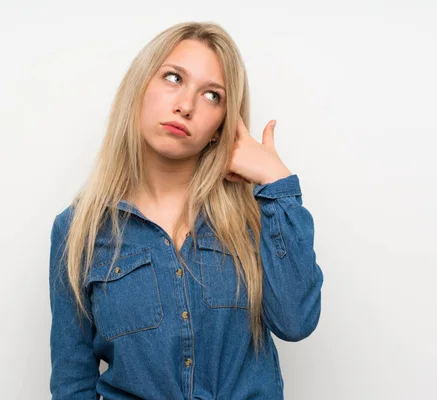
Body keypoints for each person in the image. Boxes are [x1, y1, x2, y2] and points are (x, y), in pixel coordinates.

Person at [48, 21, 324, 399]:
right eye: (173, 78)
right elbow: (72, 382)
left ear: (221, 127)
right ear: (139, 88)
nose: (186, 106)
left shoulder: (255, 220)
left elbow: (295, 322)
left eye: (212, 96)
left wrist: (277, 183)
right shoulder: (78, 229)